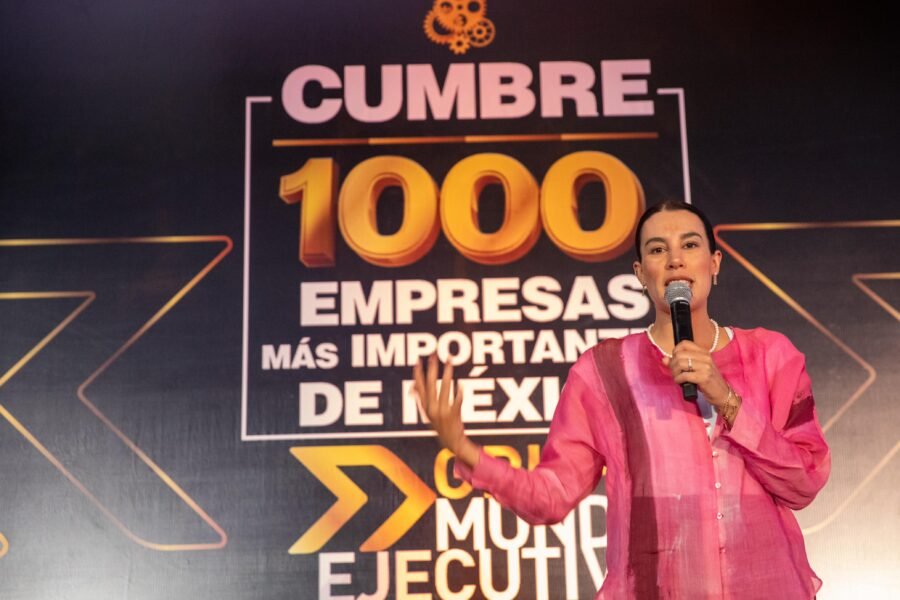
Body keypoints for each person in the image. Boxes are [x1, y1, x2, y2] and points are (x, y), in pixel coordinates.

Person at [413, 200, 831, 599]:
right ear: (641, 273)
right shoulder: (604, 372)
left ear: (715, 263)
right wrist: (465, 451)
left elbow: (804, 482)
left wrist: (726, 399)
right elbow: (552, 496)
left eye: (690, 245)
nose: (675, 260)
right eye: (657, 250)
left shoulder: (771, 357)